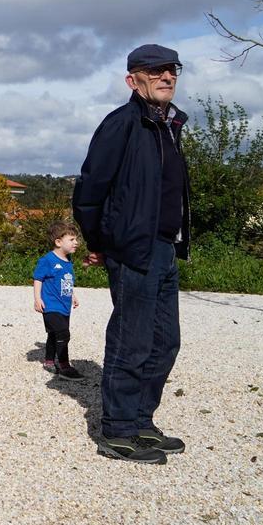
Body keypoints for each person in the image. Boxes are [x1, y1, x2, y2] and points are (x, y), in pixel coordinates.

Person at [73, 43, 191, 464]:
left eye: (171, 70)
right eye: (156, 70)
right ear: (133, 80)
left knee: (165, 341)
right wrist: (102, 243)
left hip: (164, 248)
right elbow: (89, 191)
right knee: (132, 339)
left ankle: (142, 421)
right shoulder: (121, 124)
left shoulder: (168, 126)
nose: (167, 77)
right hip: (132, 249)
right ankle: (118, 431)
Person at [33, 221, 81, 380]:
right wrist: (37, 298)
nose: (76, 243)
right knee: (63, 333)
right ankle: (64, 365)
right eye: (72, 239)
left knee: (54, 334)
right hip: (51, 305)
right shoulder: (47, 260)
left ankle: (48, 361)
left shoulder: (69, 261)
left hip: (64, 306)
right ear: (58, 242)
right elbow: (38, 279)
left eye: (76, 239)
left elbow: (67, 281)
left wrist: (72, 295)